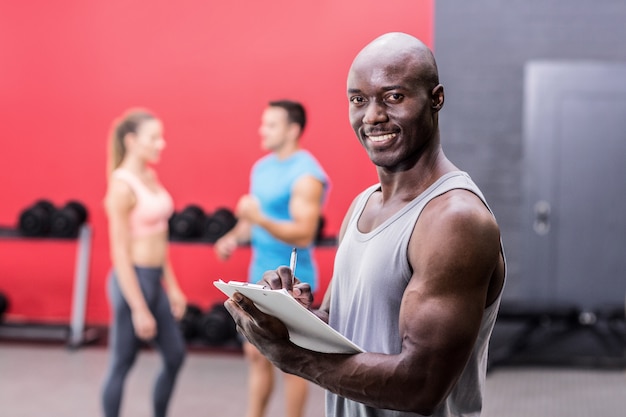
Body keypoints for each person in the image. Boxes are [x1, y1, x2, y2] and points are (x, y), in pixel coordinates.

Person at [223, 32, 506, 417]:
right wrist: (294, 316)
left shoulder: (454, 220)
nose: (372, 116)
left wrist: (296, 358)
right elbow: (353, 328)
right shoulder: (364, 205)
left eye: (393, 97)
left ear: (435, 99)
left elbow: (422, 386)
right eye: (359, 100)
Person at [214, 100, 330, 417]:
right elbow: (252, 221)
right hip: (257, 277)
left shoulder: (307, 174)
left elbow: (304, 233)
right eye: (263, 123)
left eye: (271, 124)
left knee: (293, 364)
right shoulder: (262, 168)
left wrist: (259, 218)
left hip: (292, 283)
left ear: (293, 130)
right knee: (256, 355)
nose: (262, 130)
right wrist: (233, 236)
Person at [101, 108, 187, 417]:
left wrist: (173, 287)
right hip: (131, 281)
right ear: (132, 140)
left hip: (155, 280)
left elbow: (160, 240)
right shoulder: (121, 186)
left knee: (175, 356)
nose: (161, 144)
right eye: (154, 138)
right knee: (122, 362)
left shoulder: (150, 176)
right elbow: (120, 254)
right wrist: (138, 307)